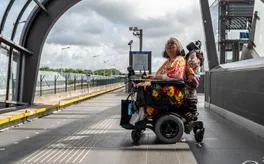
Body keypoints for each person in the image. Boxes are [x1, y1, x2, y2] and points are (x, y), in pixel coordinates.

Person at [129, 37, 186, 125]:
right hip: (166, 85)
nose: (170, 49)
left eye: (172, 47)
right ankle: (141, 112)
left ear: (177, 48)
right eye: (168, 48)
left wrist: (156, 78)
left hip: (173, 89)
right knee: (141, 86)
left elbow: (177, 75)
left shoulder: (179, 59)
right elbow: (159, 75)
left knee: (145, 88)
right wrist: (151, 77)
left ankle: (142, 113)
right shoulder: (168, 61)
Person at [184, 41, 204, 119]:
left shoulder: (194, 54)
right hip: (191, 77)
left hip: (192, 77)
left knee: (191, 92)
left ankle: (193, 112)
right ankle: (192, 111)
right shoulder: (193, 54)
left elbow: (192, 63)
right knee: (189, 93)